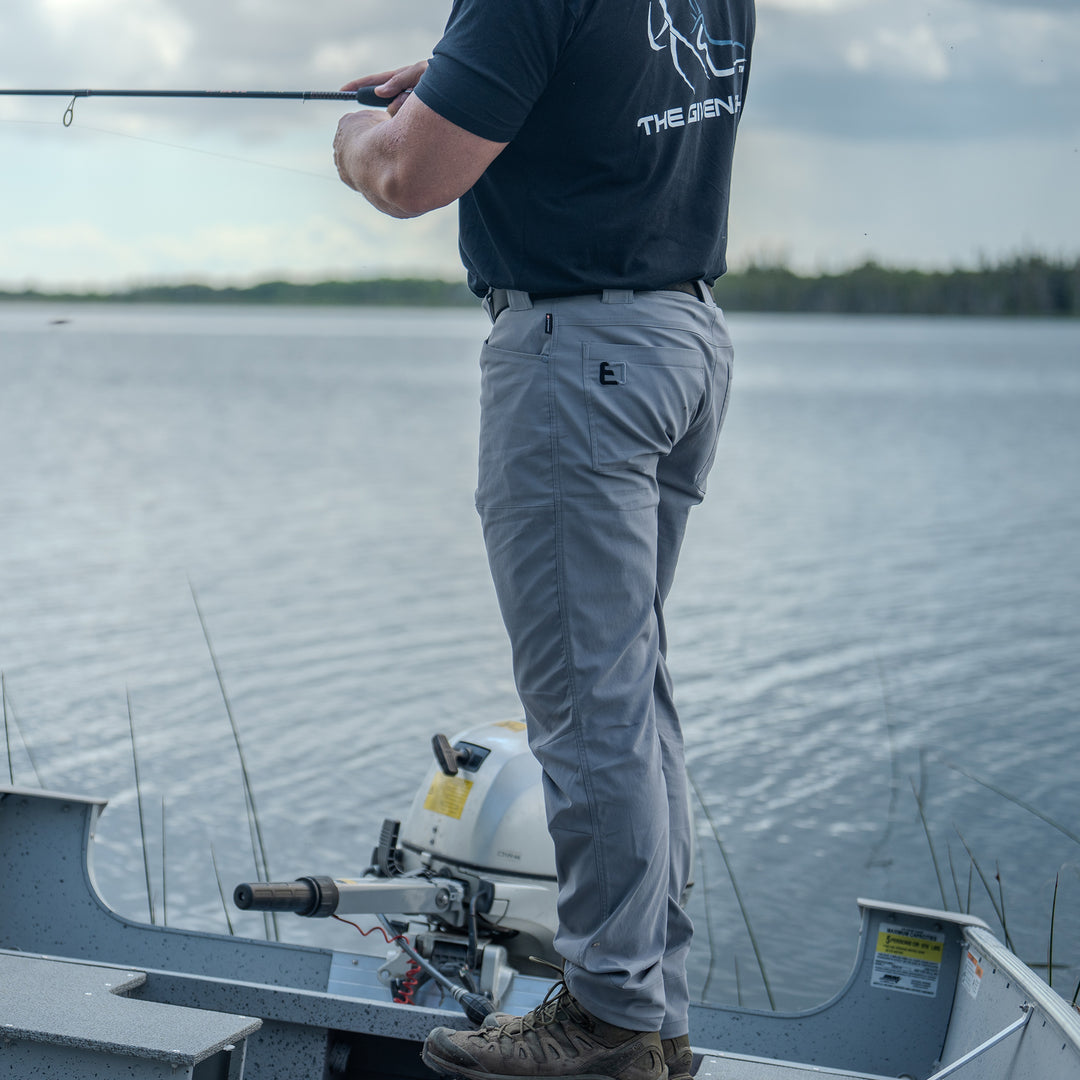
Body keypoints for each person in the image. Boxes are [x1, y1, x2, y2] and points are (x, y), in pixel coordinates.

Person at [333, 1, 755, 1077]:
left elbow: (409, 176)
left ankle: (611, 1020)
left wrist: (356, 142)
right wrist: (463, 74)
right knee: (631, 696)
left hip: (581, 357)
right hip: (681, 339)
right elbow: (614, 83)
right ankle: (650, 1015)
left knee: (587, 705)